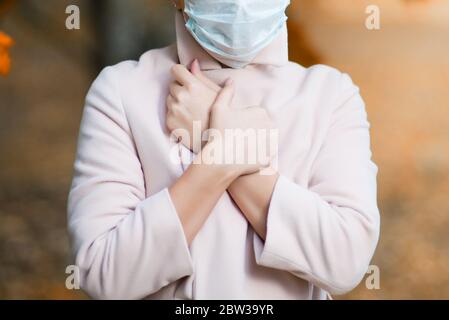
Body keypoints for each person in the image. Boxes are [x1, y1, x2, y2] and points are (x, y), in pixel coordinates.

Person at [68, 0, 380, 300]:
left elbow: (345, 260)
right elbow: (104, 272)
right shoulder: (121, 92)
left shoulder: (330, 96)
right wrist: (225, 154)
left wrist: (212, 136)